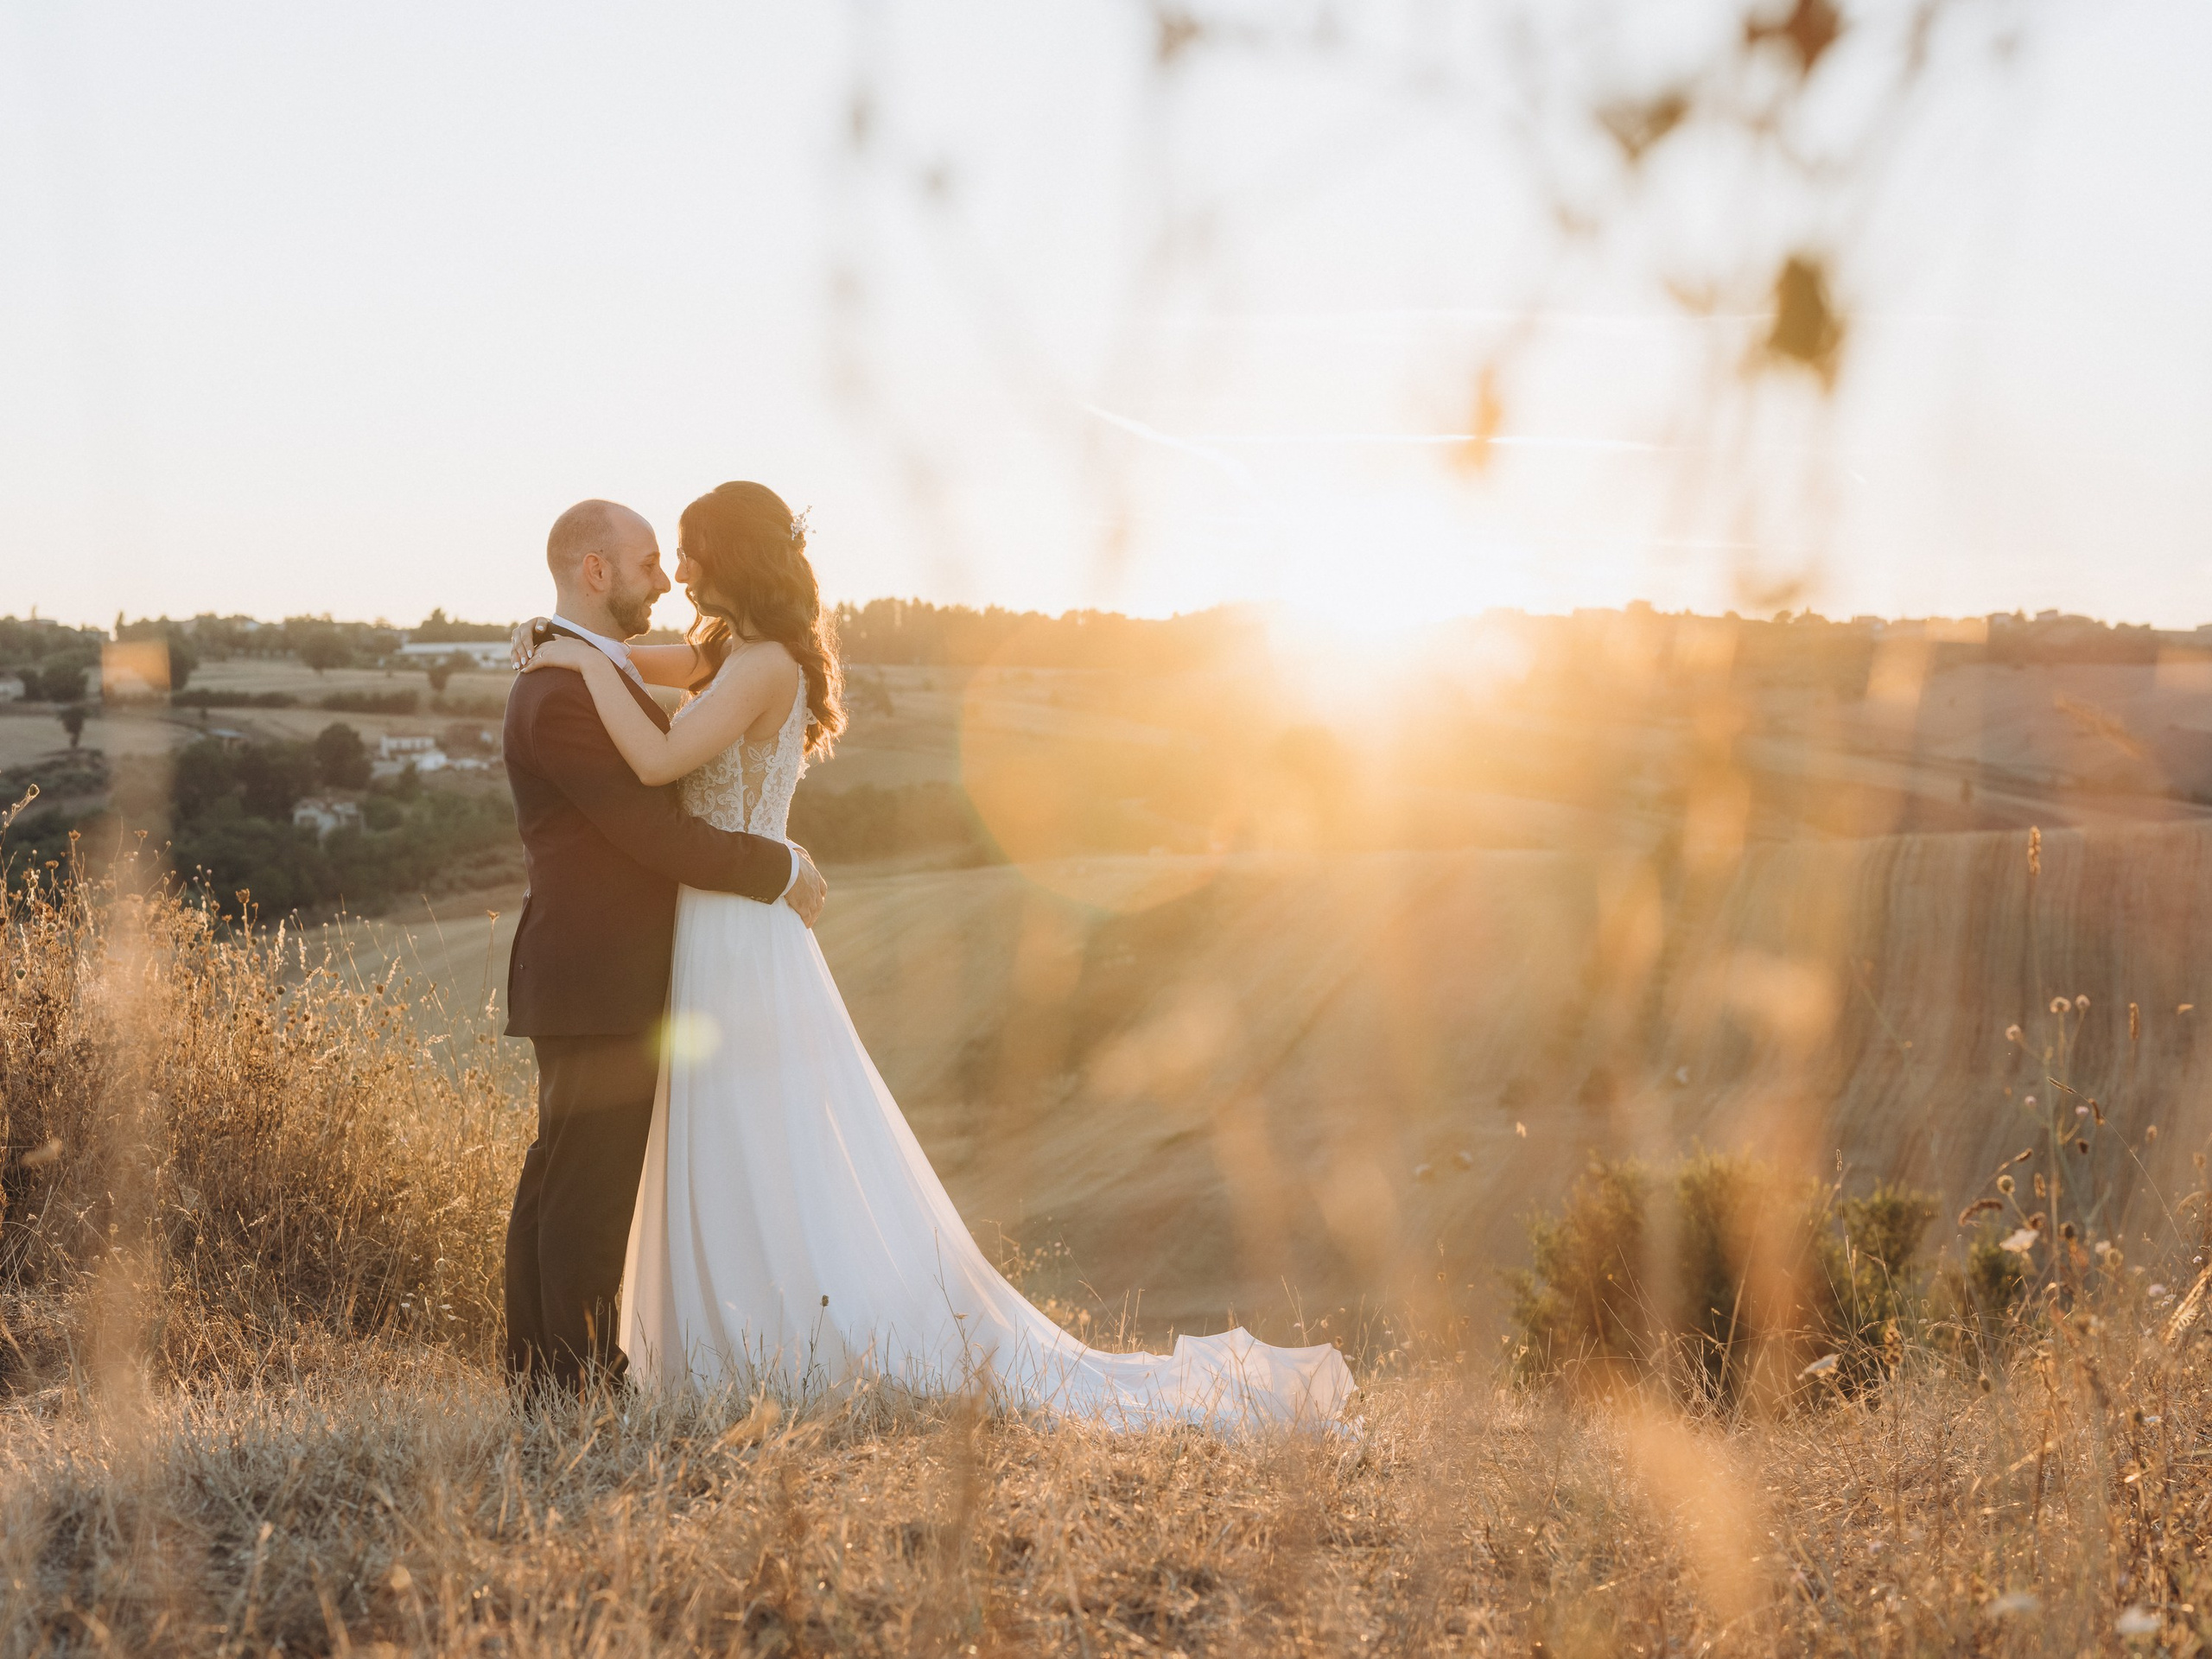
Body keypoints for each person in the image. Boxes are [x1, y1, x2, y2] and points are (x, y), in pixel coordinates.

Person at [518, 480, 1353, 1428]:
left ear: (733, 556)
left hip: (739, 933)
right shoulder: (720, 653)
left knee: (756, 1132)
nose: (681, 572)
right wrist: (562, 643)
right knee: (727, 1134)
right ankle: (719, 1346)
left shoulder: (760, 667)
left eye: (693, 550)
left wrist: (575, 669)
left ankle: (782, 1343)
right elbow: (631, 652)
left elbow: (660, 763)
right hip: (713, 927)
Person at [500, 498, 827, 1393]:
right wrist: (779, 867)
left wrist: (562, 643)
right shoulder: (560, 690)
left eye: (680, 558)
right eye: (654, 561)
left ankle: (550, 1381)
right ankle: (572, 1384)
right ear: (596, 571)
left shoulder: (650, 665)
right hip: (598, 970)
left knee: (573, 1181)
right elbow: (656, 830)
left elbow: (645, 685)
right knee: (582, 1192)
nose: (671, 577)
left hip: (653, 963)